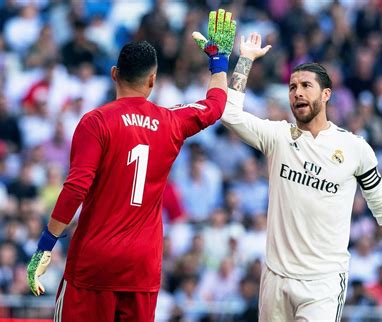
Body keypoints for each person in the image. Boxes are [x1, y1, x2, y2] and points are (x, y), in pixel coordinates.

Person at [26, 9, 236, 322]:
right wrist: (218, 62)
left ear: (114, 73)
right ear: (152, 81)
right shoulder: (171, 122)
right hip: (142, 265)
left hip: (93, 262)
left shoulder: (96, 122)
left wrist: (46, 243)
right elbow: (216, 106)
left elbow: (77, 186)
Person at [221, 33, 382, 322]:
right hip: (275, 279)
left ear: (326, 94)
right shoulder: (277, 136)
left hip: (323, 284)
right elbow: (230, 115)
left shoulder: (354, 148)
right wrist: (246, 59)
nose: (297, 93)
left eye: (306, 86)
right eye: (292, 87)